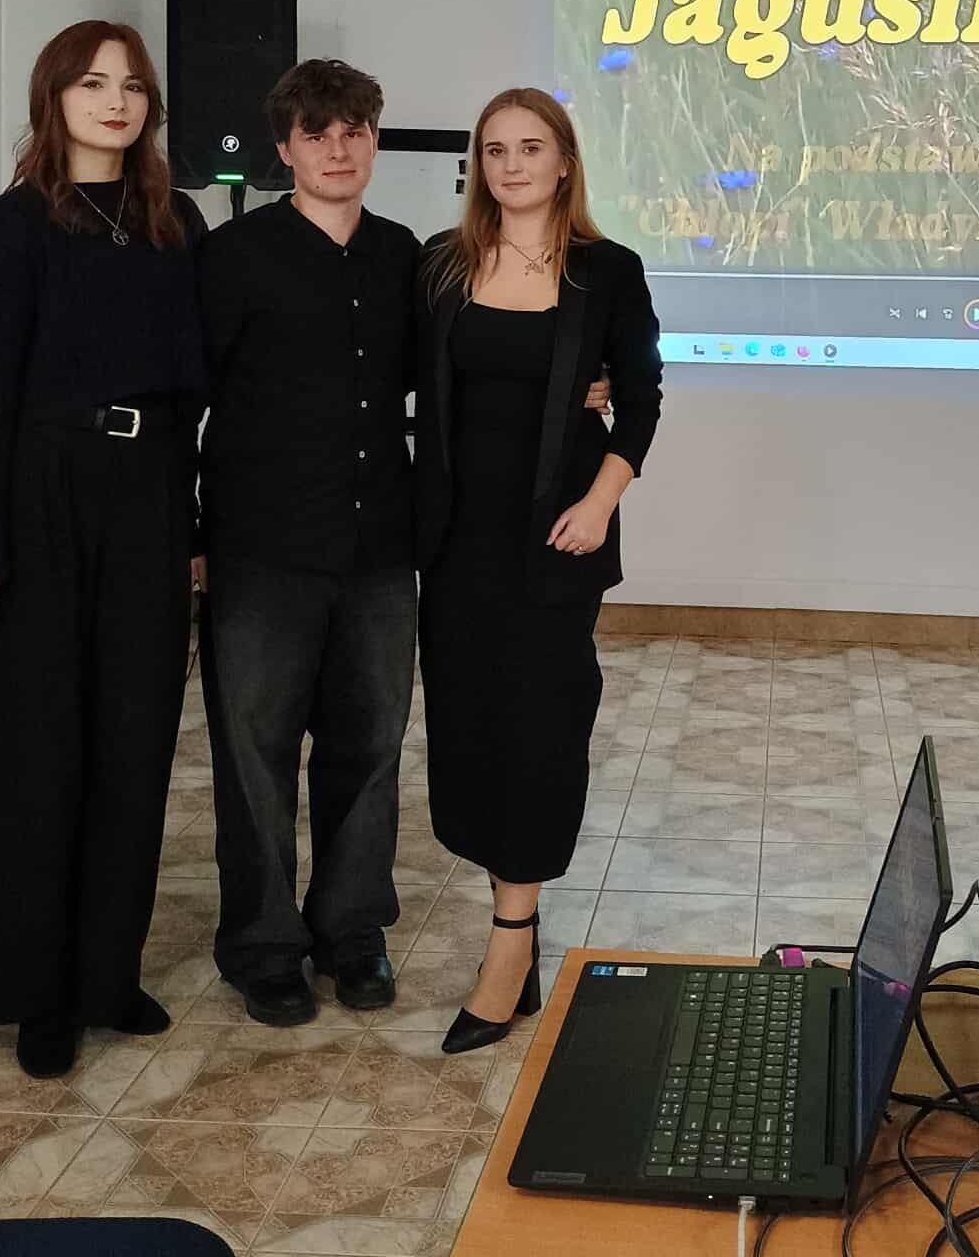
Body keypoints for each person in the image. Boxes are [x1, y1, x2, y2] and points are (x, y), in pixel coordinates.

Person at [197, 60, 616, 1027]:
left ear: (375, 141)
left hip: (384, 547)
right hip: (262, 546)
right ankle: (264, 947)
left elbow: (483, 364)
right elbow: (192, 400)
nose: (336, 149)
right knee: (255, 755)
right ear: (285, 149)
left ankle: (352, 933)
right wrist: (192, 534)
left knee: (370, 748)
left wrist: (580, 385)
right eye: (315, 134)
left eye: (354, 132)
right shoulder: (231, 257)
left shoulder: (414, 261)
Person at [0, 21, 207, 1078]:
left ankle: (108, 974)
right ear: (53, 96)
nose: (117, 100)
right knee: (38, 748)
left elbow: (198, 390)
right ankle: (37, 992)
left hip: (148, 497)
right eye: (95, 82)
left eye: (134, 85)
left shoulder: (175, 220)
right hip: (41, 495)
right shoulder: (17, 222)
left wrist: (192, 529)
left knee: (133, 741)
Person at [415, 87, 662, 1054]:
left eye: (530, 147)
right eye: (494, 150)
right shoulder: (442, 264)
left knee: (540, 732)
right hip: (456, 543)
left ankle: (509, 943)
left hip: (557, 542)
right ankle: (513, 925)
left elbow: (640, 397)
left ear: (565, 162)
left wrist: (600, 502)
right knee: (472, 732)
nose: (511, 165)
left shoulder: (608, 270)